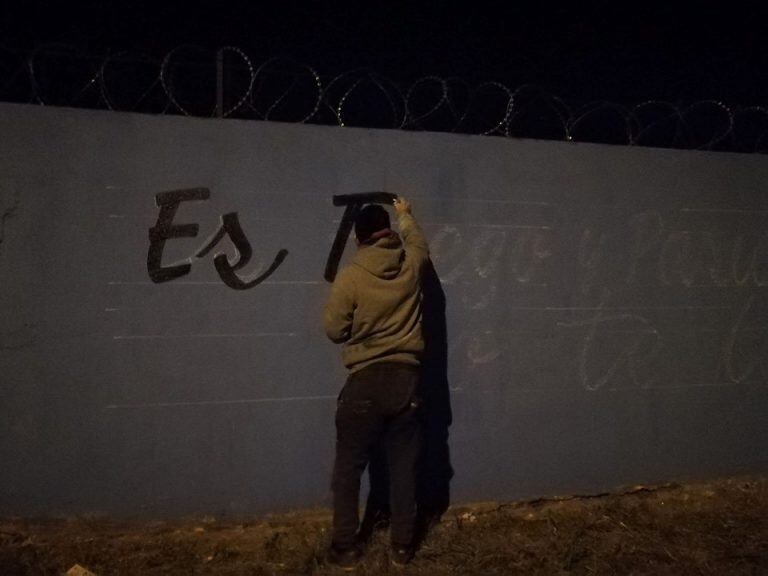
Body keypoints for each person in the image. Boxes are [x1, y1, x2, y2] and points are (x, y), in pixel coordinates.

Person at [323, 196, 429, 569]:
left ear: (358, 238)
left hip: (365, 382)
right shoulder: (411, 264)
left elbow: (334, 328)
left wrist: (360, 328)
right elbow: (418, 243)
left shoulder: (351, 275)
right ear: (387, 232)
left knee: (349, 468)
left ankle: (345, 548)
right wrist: (406, 216)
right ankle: (402, 547)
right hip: (407, 381)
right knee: (403, 467)